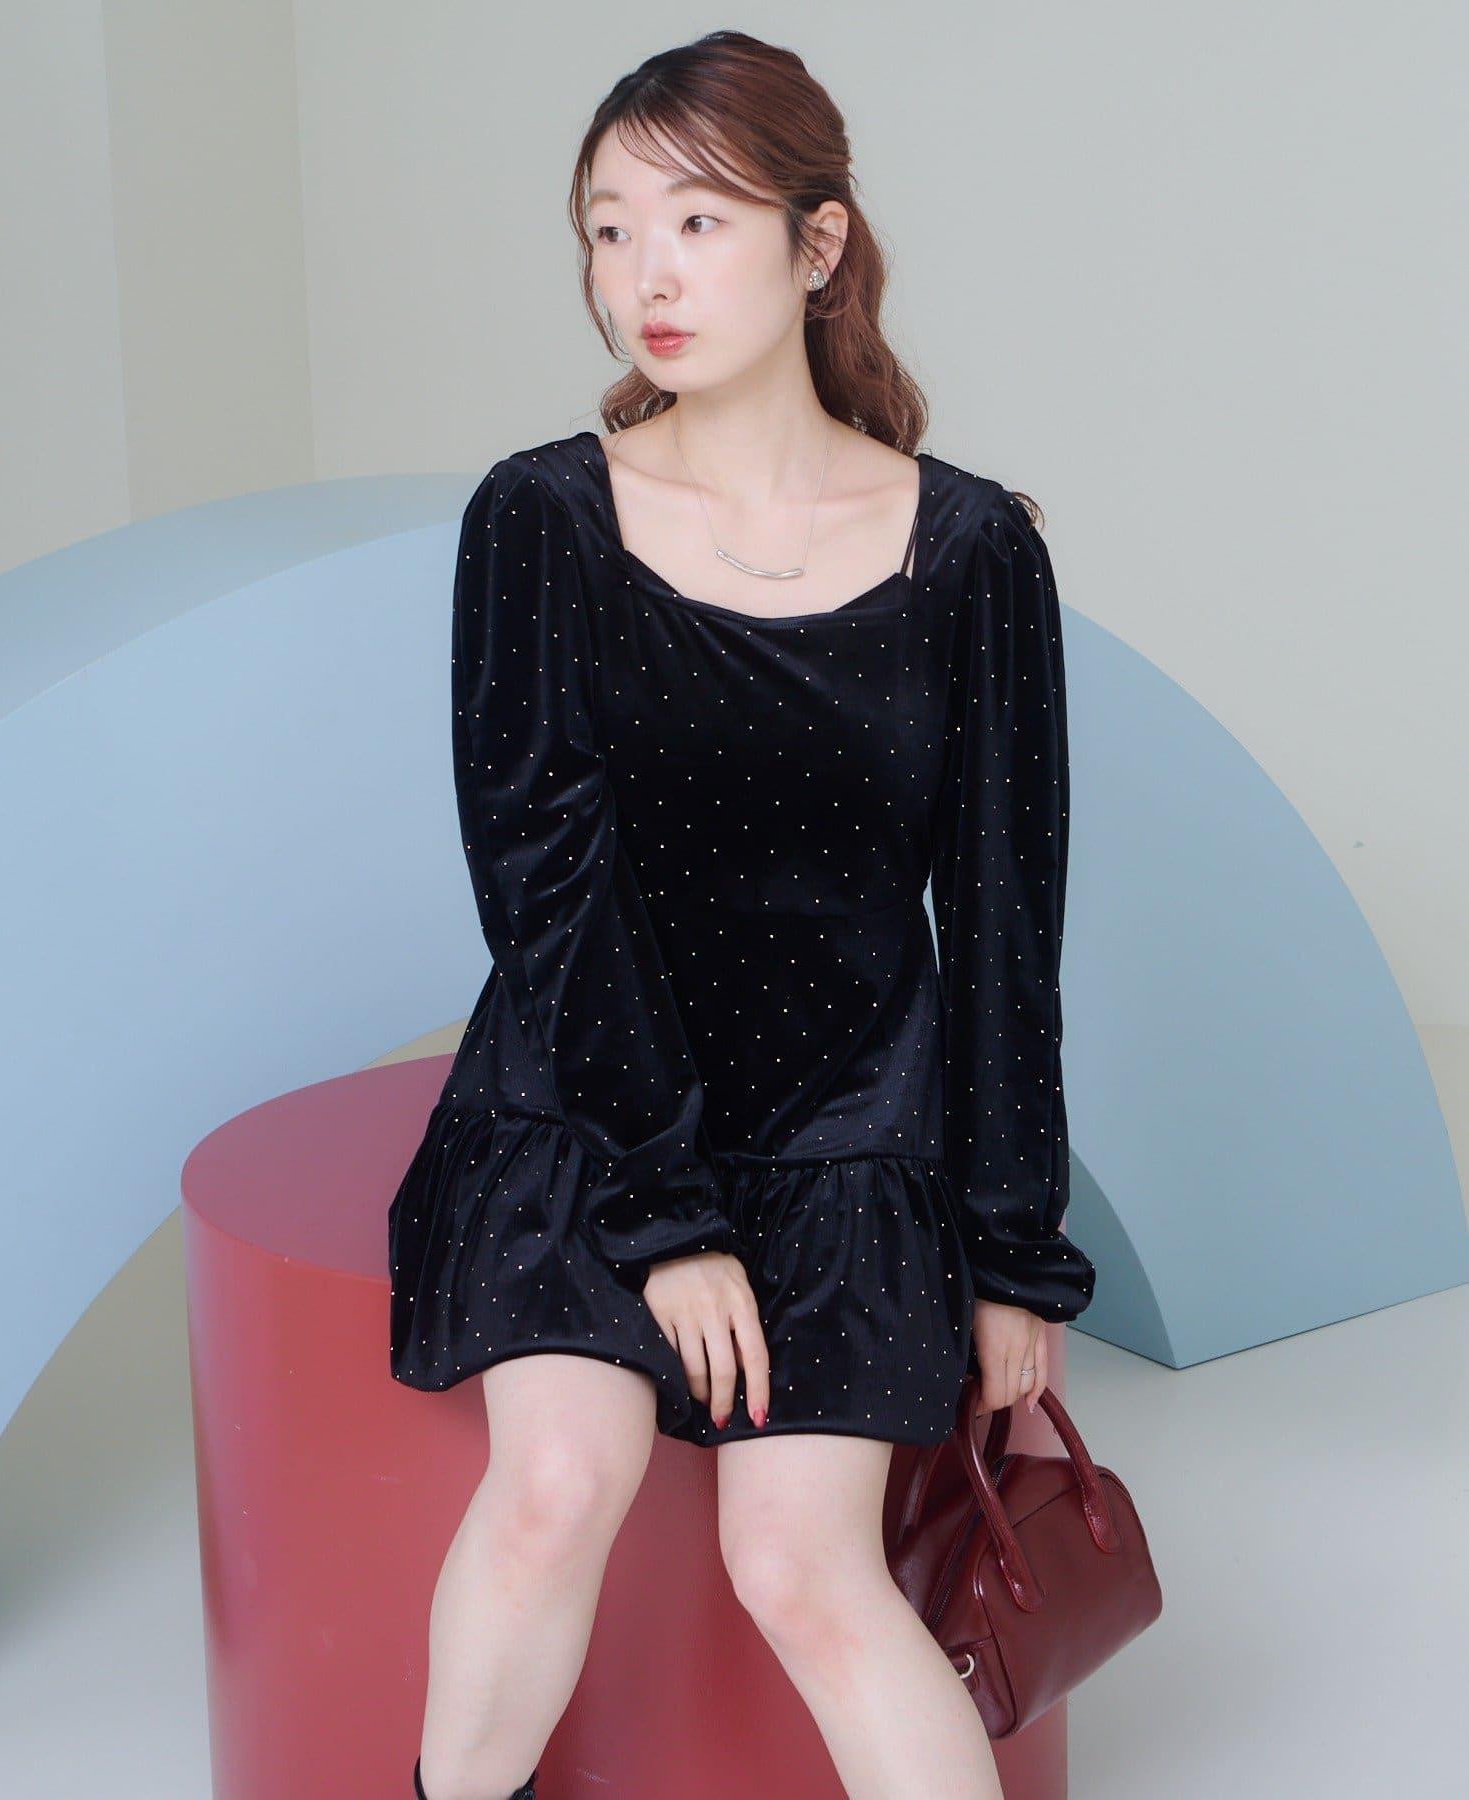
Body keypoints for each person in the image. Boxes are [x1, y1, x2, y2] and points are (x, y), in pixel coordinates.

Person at [388, 29, 1096, 1800]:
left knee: (802, 1566)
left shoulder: (971, 551)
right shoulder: (541, 521)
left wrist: (1013, 1246)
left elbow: (1007, 918)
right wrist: (667, 1214)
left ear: (817, 242)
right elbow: (541, 882)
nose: (645, 276)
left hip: (851, 1128)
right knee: (557, 1486)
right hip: (588, 1104)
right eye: (609, 231)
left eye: (696, 223)